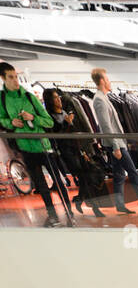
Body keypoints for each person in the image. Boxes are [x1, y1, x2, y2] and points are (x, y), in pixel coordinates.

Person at [0, 61, 73, 226]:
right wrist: (11, 122)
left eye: (16, 77)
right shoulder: (2, 100)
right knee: (41, 184)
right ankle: (52, 215)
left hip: (43, 145)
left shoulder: (29, 97)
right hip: (25, 147)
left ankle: (69, 212)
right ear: (3, 78)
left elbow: (49, 122)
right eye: (11, 77)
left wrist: (33, 118)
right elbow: (2, 121)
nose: (15, 81)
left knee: (58, 181)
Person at [90, 67, 138, 216]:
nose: (109, 82)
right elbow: (106, 126)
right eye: (107, 79)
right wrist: (116, 146)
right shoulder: (99, 100)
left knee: (119, 175)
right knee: (134, 174)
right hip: (115, 145)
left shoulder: (103, 97)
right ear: (102, 81)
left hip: (117, 143)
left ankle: (120, 204)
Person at [42, 85, 107, 218]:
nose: (58, 99)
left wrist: (84, 149)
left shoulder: (64, 112)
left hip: (77, 149)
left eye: (58, 97)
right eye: (54, 98)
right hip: (66, 152)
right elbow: (57, 136)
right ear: (49, 100)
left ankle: (82, 200)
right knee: (84, 176)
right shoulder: (50, 118)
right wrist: (66, 123)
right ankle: (90, 205)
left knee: (87, 176)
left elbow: (74, 133)